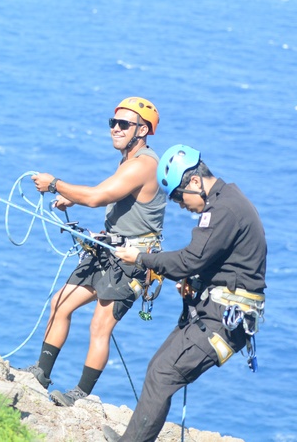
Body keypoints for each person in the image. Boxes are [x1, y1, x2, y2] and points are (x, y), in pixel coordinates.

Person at [105, 144, 267, 442]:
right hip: (215, 312)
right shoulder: (227, 201)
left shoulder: (223, 210)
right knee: (159, 368)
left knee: (164, 374)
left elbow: (188, 260)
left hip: (223, 321)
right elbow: (221, 262)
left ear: (195, 181)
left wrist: (141, 258)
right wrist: (199, 280)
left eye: (179, 197)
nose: (180, 205)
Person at [17, 97, 165, 407]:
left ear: (143, 131)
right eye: (113, 123)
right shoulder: (129, 158)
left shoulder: (144, 163)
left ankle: (80, 395)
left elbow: (98, 196)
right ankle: (40, 374)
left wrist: (56, 184)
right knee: (60, 304)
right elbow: (112, 191)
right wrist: (74, 198)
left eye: (124, 124)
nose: (116, 129)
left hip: (132, 260)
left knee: (100, 325)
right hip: (109, 249)